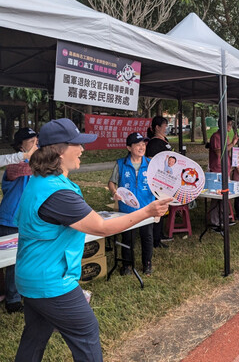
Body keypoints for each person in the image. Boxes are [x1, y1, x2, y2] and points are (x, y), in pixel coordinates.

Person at [14, 118, 171, 361]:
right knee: (86, 332)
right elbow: (101, 227)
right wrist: (147, 212)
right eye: (77, 144)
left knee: (34, 337)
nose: (83, 150)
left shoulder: (41, 182)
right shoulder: (57, 192)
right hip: (52, 282)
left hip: (32, 277)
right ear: (59, 151)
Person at [0, 128, 38, 314]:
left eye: (36, 140)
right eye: (30, 140)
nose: (34, 143)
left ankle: (26, 291)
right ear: (20, 145)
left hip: (29, 219)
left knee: (29, 256)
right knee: (12, 261)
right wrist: (29, 156)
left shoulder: (37, 164)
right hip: (10, 219)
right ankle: (12, 300)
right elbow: (21, 169)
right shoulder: (15, 164)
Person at [108, 132, 155, 276]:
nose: (141, 147)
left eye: (143, 144)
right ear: (129, 147)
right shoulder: (121, 164)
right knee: (127, 236)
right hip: (126, 209)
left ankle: (147, 264)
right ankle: (126, 264)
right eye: (137, 145)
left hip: (146, 207)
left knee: (147, 236)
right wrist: (114, 192)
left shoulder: (150, 164)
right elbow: (112, 182)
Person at [146, 116, 173, 248]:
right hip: (158, 181)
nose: (166, 128)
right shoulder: (153, 143)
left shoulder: (164, 140)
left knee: (163, 207)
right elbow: (151, 162)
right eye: (164, 126)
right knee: (158, 208)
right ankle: (155, 239)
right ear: (157, 127)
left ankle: (160, 234)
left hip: (166, 179)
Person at [208, 116, 238, 229]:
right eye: (229, 124)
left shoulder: (226, 137)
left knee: (225, 195)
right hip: (217, 169)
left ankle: (223, 218)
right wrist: (233, 144)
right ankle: (214, 222)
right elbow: (220, 153)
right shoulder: (216, 137)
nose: (230, 126)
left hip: (226, 169)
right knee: (217, 196)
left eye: (231, 124)